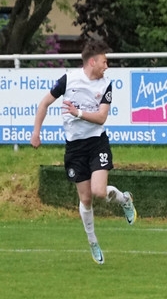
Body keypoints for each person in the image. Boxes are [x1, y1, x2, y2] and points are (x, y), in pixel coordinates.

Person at [30, 39, 137, 265]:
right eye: (104, 62)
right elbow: (44, 104)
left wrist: (77, 113)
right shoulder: (69, 80)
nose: (107, 66)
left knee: (99, 192)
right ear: (92, 62)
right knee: (86, 198)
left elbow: (101, 118)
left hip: (97, 143)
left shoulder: (106, 85)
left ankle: (125, 199)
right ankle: (92, 241)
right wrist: (36, 132)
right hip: (75, 148)